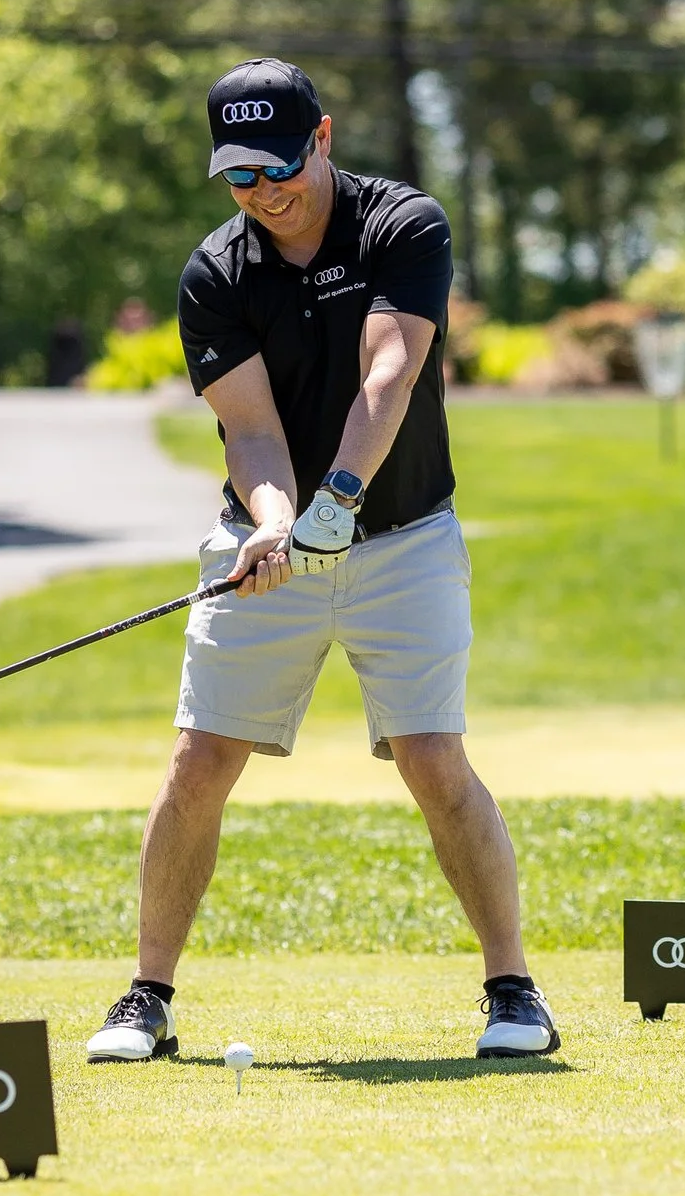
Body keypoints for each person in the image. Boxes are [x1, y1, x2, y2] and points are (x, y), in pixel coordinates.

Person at [86, 58, 560, 1065]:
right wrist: (273, 521)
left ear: (323, 138)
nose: (264, 192)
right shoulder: (216, 276)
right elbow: (251, 435)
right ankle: (147, 996)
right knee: (199, 757)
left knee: (432, 756)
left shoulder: (401, 225)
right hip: (268, 545)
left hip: (403, 537)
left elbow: (389, 372)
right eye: (240, 176)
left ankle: (513, 986)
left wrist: (336, 501)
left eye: (279, 165)